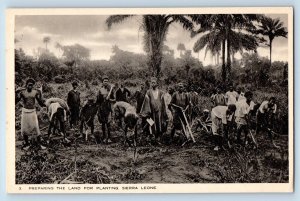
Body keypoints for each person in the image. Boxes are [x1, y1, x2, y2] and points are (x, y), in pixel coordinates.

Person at [15, 78, 46, 150]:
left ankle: (39, 144)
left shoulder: (35, 92)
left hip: (32, 112)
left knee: (36, 127)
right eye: (29, 85)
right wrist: (16, 93)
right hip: (25, 111)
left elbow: (40, 102)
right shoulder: (22, 92)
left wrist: (41, 93)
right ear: (26, 85)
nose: (30, 87)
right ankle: (26, 144)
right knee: (25, 128)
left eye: (31, 85)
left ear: (33, 86)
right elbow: (16, 101)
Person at [140, 77, 168, 143]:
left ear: (157, 84)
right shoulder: (148, 92)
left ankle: (159, 136)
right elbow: (146, 102)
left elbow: (163, 103)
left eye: (154, 83)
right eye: (151, 83)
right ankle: (152, 135)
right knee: (151, 122)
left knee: (160, 123)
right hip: (151, 111)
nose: (152, 84)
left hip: (159, 111)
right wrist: (148, 111)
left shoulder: (161, 92)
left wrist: (164, 111)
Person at [96, 75, 115, 144]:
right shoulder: (100, 90)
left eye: (107, 81)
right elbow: (97, 101)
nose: (106, 82)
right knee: (103, 124)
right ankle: (104, 137)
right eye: (104, 81)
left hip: (108, 108)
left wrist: (109, 99)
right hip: (101, 109)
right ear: (102, 82)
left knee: (108, 124)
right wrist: (98, 109)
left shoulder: (110, 90)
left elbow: (114, 99)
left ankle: (109, 137)